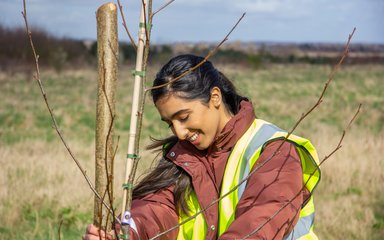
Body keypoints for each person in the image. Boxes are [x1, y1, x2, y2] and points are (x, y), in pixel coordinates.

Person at [84, 54, 321, 240]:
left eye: (184, 117)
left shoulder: (276, 151)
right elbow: (156, 208)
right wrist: (124, 233)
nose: (179, 132)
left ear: (214, 97)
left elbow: (258, 226)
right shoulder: (183, 156)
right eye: (170, 123)